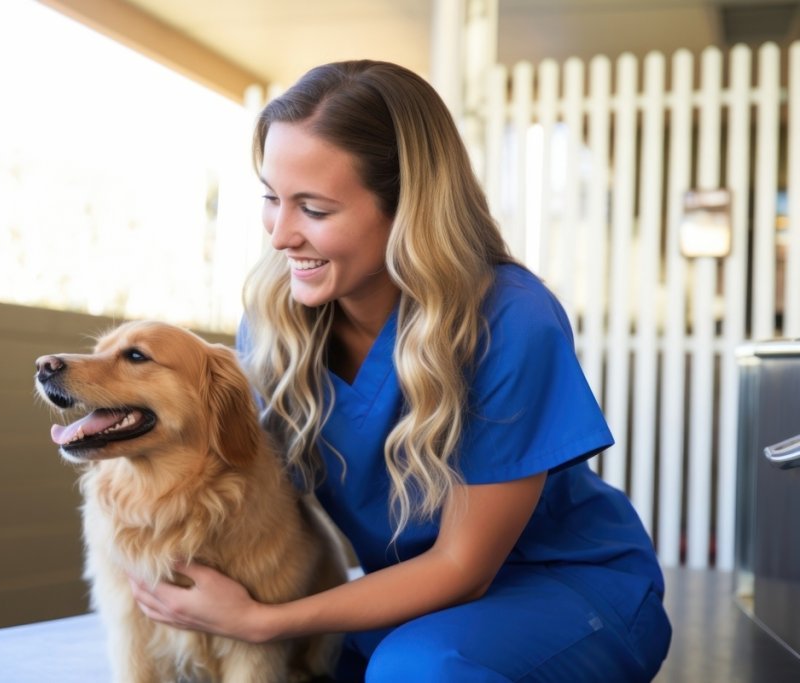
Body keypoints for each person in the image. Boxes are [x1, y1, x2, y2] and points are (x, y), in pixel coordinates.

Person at [130, 59, 672, 682]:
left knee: (416, 672)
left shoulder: (511, 318)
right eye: (271, 199)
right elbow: (239, 480)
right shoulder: (276, 322)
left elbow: (462, 569)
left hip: (565, 594)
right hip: (408, 606)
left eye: (313, 208)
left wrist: (260, 621)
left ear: (408, 208)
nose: (280, 236)